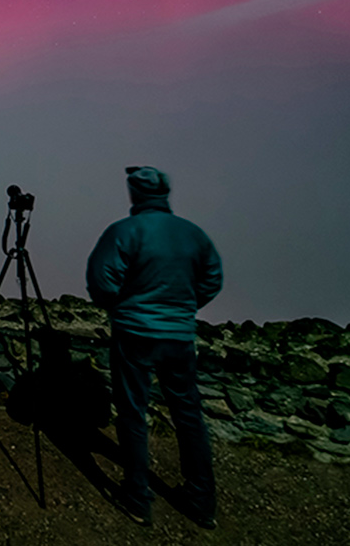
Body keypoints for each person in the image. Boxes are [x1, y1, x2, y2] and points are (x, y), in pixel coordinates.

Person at [86, 166, 222, 528]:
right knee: (189, 415)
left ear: (134, 194)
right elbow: (212, 280)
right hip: (179, 337)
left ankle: (137, 497)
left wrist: (124, 307)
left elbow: (101, 281)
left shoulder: (124, 232)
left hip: (134, 333)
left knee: (133, 413)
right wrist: (182, 309)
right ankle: (202, 501)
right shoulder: (194, 235)